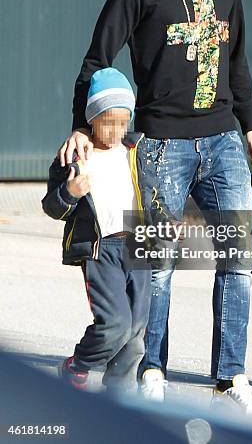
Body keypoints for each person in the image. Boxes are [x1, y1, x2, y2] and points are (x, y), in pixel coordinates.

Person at [58, 0, 252, 413]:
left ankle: (232, 377)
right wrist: (82, 126)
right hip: (160, 145)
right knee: (158, 265)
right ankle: (152, 368)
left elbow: (237, 59)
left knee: (237, 262)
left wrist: (251, 123)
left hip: (223, 138)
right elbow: (96, 61)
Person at [42, 68, 176, 397]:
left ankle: (119, 397)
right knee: (115, 324)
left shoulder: (135, 151)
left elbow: (152, 195)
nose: (116, 129)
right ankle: (77, 366)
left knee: (136, 332)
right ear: (92, 119)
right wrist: (70, 192)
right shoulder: (75, 157)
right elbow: (52, 207)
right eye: (108, 121)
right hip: (101, 251)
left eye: (123, 120)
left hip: (138, 246)